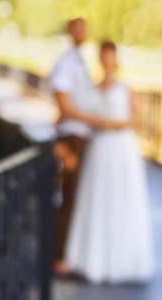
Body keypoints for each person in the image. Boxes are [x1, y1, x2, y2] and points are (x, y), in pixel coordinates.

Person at [65, 41, 154, 284]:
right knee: (98, 199)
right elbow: (82, 114)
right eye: (103, 55)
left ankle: (124, 261)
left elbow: (137, 118)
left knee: (122, 199)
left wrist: (111, 125)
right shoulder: (94, 88)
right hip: (99, 148)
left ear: (115, 58)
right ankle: (94, 261)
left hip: (121, 148)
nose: (107, 60)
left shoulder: (126, 87)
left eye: (110, 55)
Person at [50, 18, 125, 276]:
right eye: (78, 28)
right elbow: (66, 106)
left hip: (83, 137)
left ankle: (68, 254)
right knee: (69, 197)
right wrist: (98, 121)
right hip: (75, 137)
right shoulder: (67, 63)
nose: (82, 32)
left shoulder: (79, 61)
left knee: (76, 196)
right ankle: (59, 257)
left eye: (85, 28)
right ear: (69, 31)